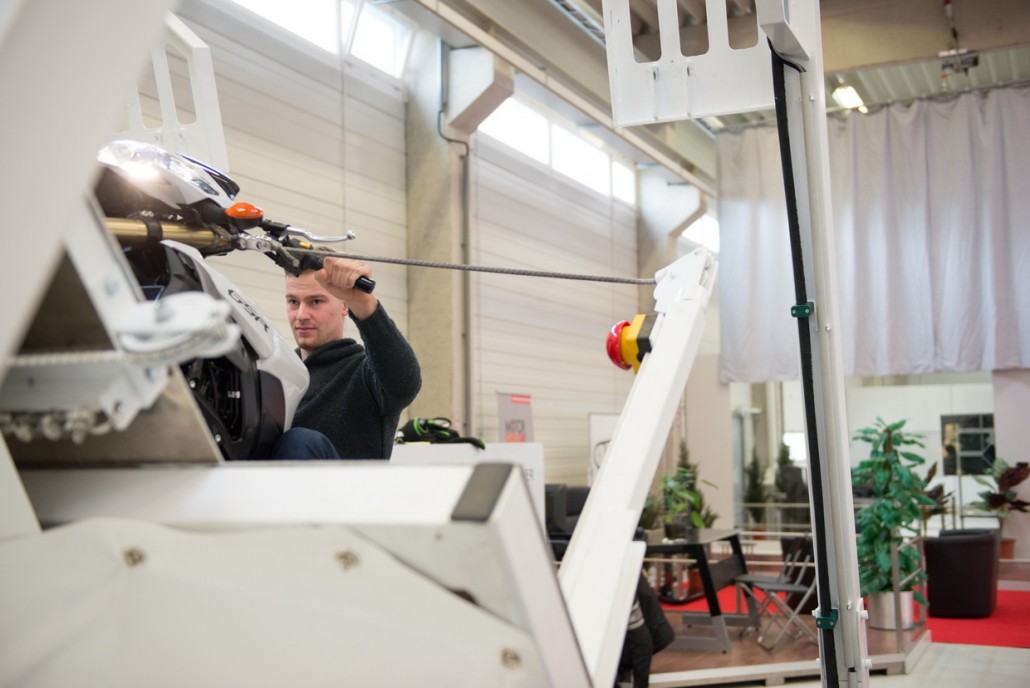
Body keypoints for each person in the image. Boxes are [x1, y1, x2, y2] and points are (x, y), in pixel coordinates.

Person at [274, 256, 421, 459]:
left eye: (316, 301)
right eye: (293, 302)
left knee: (300, 442)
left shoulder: (364, 373)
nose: (301, 315)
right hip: (265, 479)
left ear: (345, 305)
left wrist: (364, 304)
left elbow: (404, 383)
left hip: (344, 481)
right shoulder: (276, 373)